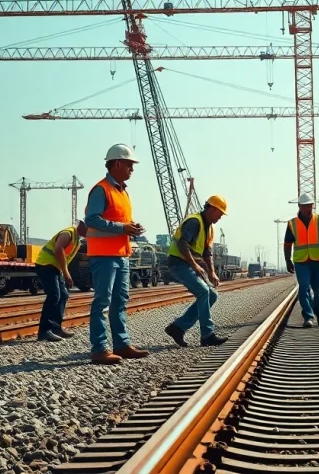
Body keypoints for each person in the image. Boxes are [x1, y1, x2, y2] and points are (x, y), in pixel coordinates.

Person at [84, 143, 149, 365]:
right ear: (117, 163)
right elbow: (91, 219)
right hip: (104, 256)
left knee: (120, 301)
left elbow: (118, 221)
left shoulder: (122, 191)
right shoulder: (101, 189)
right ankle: (99, 349)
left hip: (121, 255)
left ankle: (121, 344)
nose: (132, 169)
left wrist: (131, 226)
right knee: (103, 301)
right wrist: (122, 228)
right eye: (130, 165)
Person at [163, 196, 230, 347]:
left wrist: (212, 272)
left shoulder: (209, 228)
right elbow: (182, 244)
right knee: (203, 291)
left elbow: (207, 252)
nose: (220, 216)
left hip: (189, 264)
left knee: (211, 295)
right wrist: (194, 265)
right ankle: (207, 335)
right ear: (212, 208)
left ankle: (178, 328)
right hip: (178, 263)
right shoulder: (194, 221)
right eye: (220, 213)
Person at [284, 193, 319, 328]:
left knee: (318, 290)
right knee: (304, 287)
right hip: (301, 262)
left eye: (310, 206)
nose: (308, 209)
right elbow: (287, 244)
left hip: (317, 260)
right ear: (299, 206)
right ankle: (308, 316)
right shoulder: (292, 223)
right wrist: (288, 260)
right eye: (305, 206)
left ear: (313, 205)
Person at [34, 221, 87, 342]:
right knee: (54, 296)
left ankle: (56, 328)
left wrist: (64, 271)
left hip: (55, 267)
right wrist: (66, 272)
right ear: (83, 225)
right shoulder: (68, 233)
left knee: (63, 295)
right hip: (45, 264)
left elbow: (65, 257)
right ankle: (44, 331)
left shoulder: (77, 240)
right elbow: (58, 249)